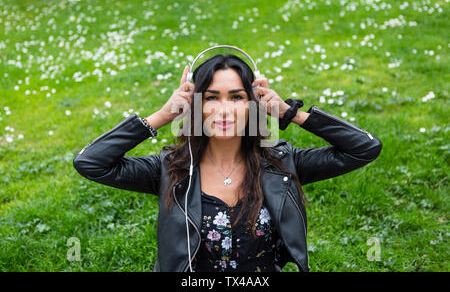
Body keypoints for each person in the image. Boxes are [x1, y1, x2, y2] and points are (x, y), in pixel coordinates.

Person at [73, 54, 382, 272]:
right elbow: (91, 162)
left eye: (236, 97)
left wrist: (291, 113)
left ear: (253, 103)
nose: (225, 110)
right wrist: (162, 115)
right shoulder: (172, 168)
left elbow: (363, 148)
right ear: (195, 104)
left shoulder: (281, 164)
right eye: (211, 98)